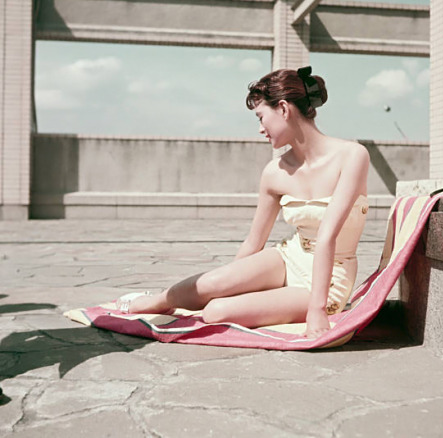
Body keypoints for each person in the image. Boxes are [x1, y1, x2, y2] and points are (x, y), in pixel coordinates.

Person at [117, 66, 370, 339]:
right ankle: (159, 301)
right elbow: (253, 242)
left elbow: (327, 236)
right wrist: (229, 282)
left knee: (216, 311)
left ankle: (281, 301)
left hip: (330, 277)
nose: (260, 129)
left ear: (283, 109)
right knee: (210, 285)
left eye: (261, 117)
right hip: (288, 257)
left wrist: (317, 309)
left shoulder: (352, 156)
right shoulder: (275, 172)